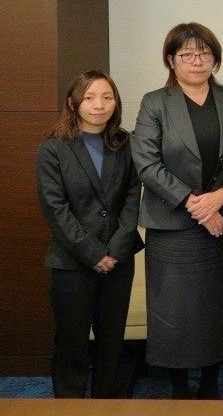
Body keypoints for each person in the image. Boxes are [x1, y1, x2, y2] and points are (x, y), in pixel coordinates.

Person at [130, 23, 223, 398]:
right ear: (171, 60)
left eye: (205, 53)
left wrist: (221, 197)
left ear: (214, 58)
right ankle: (178, 386)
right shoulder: (155, 102)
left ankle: (211, 382)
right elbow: (146, 162)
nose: (197, 61)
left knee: (216, 305)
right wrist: (195, 203)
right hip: (172, 224)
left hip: (221, 222)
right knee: (174, 309)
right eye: (187, 54)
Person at [35, 71, 143, 398]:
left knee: (112, 340)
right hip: (72, 261)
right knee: (72, 341)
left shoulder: (126, 144)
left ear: (116, 102)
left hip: (118, 259)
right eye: (90, 97)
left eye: (107, 97)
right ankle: (70, 404)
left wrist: (116, 250)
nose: (99, 105)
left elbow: (132, 199)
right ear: (73, 103)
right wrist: (94, 253)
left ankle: (106, 402)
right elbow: (55, 209)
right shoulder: (52, 148)